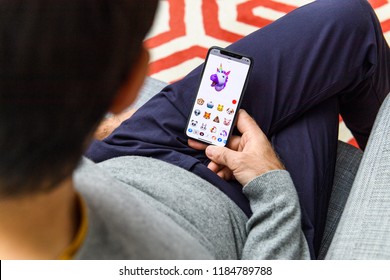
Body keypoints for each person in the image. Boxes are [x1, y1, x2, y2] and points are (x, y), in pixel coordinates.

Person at [0, 0, 388, 260]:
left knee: (344, 20)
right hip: (250, 213)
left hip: (130, 151)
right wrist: (271, 186)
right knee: (331, 71)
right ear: (131, 82)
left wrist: (81, 132)